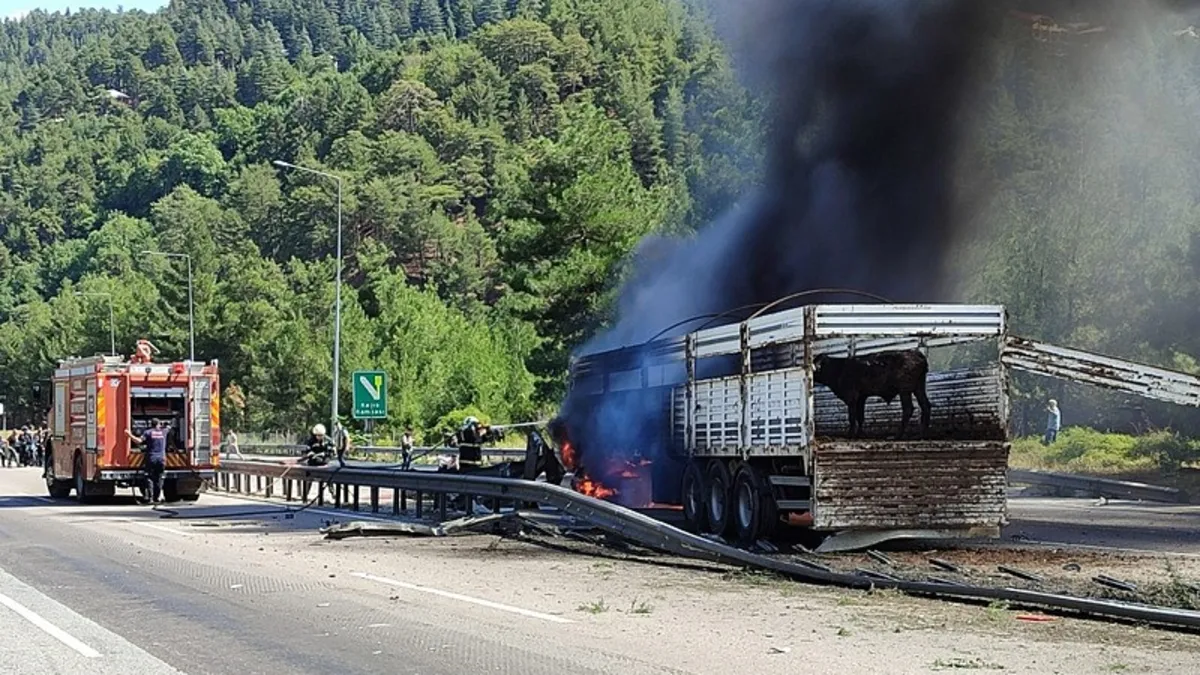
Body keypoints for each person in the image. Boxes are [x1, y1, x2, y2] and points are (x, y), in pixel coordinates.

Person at [128, 419, 169, 504]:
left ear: (151, 424)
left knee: (149, 478)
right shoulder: (164, 432)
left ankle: (150, 498)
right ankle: (156, 498)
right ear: (158, 424)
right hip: (161, 459)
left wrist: (129, 435)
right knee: (159, 478)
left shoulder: (148, 432)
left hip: (151, 458)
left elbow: (139, 441)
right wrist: (163, 424)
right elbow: (169, 427)